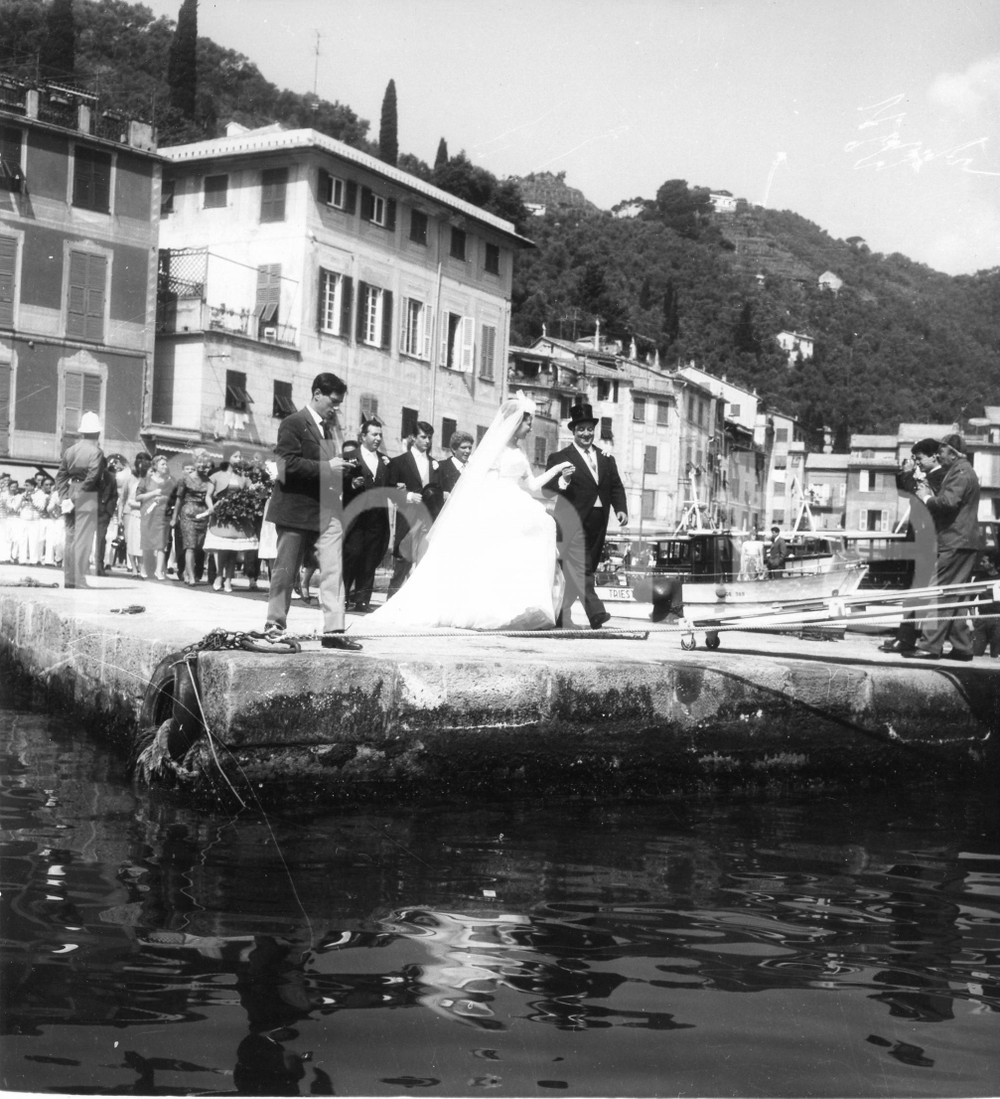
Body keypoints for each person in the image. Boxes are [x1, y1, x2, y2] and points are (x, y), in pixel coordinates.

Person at [370, 392, 574, 630]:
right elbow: (479, 481)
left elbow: (532, 485)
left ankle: (519, 605)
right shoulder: (495, 450)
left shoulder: (520, 452)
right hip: (499, 502)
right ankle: (494, 607)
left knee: (543, 527)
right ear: (517, 422)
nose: (530, 428)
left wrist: (559, 470)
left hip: (517, 500)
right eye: (528, 422)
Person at [263, 372, 361, 651]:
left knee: (333, 569)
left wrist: (346, 476)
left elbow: (326, 470)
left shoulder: (330, 430)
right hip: (294, 509)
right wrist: (328, 468)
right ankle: (275, 625)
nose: (336, 407)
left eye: (340, 402)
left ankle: (334, 631)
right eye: (333, 401)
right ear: (317, 394)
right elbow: (285, 466)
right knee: (286, 569)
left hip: (325, 511)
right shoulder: (292, 423)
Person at [545, 402, 628, 629]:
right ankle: (596, 612)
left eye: (590, 429)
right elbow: (548, 488)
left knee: (581, 570)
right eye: (581, 429)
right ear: (573, 431)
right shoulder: (559, 457)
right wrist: (564, 480)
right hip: (572, 521)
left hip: (598, 523)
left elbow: (615, 487)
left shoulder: (606, 458)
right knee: (581, 567)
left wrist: (620, 509)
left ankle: (562, 615)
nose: (586, 434)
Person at [902, 433, 984, 661]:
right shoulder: (965, 471)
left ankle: (930, 646)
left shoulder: (959, 473)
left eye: (942, 451)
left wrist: (926, 497)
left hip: (954, 540)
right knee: (954, 595)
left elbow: (948, 503)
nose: (938, 455)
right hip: (964, 541)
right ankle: (963, 646)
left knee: (938, 592)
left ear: (953, 453)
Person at [879, 438, 945, 654]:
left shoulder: (940, 476)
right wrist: (904, 474)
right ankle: (905, 637)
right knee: (911, 590)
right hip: (917, 538)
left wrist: (908, 474)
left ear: (934, 456)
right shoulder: (928, 475)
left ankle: (908, 639)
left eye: (919, 458)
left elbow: (915, 490)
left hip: (926, 540)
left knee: (917, 591)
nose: (917, 462)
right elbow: (904, 490)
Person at [342, 417, 392, 613]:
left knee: (370, 558)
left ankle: (363, 599)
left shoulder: (385, 461)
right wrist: (350, 485)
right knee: (351, 554)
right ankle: (343, 597)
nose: (378, 438)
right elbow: (334, 483)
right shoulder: (348, 456)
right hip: (355, 518)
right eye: (374, 434)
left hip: (377, 519)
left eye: (380, 434)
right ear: (363, 436)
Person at [386, 421, 441, 597]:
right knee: (402, 563)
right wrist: (409, 496)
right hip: (407, 518)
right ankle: (391, 601)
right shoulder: (399, 462)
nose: (427, 441)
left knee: (424, 564)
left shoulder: (434, 464)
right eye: (423, 437)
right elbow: (389, 489)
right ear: (413, 438)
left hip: (428, 520)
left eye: (429, 438)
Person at [54, 410, 107, 589]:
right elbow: (92, 478)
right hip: (87, 496)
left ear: (82, 432)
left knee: (70, 537)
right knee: (83, 539)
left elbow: (60, 476)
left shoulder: (70, 450)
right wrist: (76, 499)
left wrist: (64, 498)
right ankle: (79, 579)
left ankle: (69, 579)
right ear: (97, 433)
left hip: (70, 493)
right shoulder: (96, 452)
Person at [204, 446, 256, 593]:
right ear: (227, 458)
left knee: (233, 550)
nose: (239, 459)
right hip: (221, 515)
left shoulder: (244, 477)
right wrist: (211, 507)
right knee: (222, 549)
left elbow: (252, 492)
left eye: (240, 456)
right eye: (235, 456)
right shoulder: (216, 475)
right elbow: (208, 495)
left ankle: (228, 579)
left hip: (237, 517)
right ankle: (219, 575)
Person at [171, 449, 215, 585]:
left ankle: (187, 571)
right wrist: (174, 518)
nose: (203, 466)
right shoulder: (184, 480)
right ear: (195, 462)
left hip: (203, 514)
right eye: (200, 463)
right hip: (187, 514)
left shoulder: (209, 481)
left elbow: (208, 498)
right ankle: (190, 576)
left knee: (198, 546)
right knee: (189, 545)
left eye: (206, 464)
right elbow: (178, 500)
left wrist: (211, 509)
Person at [136, 454, 176, 581]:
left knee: (161, 544)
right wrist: (153, 493)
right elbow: (138, 497)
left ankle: (159, 570)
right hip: (148, 514)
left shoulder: (168, 481)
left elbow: (171, 498)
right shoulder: (146, 480)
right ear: (155, 466)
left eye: (166, 464)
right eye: (162, 464)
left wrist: (164, 498)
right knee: (147, 542)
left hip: (162, 515)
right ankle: (144, 569)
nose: (165, 466)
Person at [94, 459, 119, 576]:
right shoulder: (89, 476)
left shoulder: (111, 478)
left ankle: (99, 567)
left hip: (104, 514)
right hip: (89, 512)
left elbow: (114, 496)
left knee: (101, 540)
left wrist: (108, 511)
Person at [437, 430, 474, 498]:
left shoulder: (473, 468)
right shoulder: (441, 467)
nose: (468, 451)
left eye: (470, 448)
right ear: (454, 449)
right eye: (464, 447)